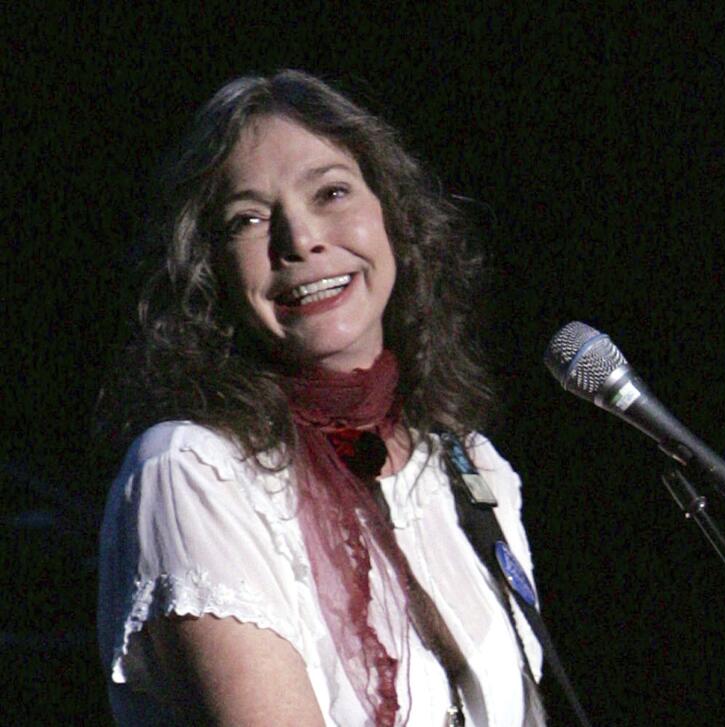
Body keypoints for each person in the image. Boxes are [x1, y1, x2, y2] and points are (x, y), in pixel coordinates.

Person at [96, 70, 546, 726]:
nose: (299, 238)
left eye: (331, 191)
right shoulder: (193, 471)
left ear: (392, 214)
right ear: (209, 270)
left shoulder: (471, 467)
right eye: (246, 218)